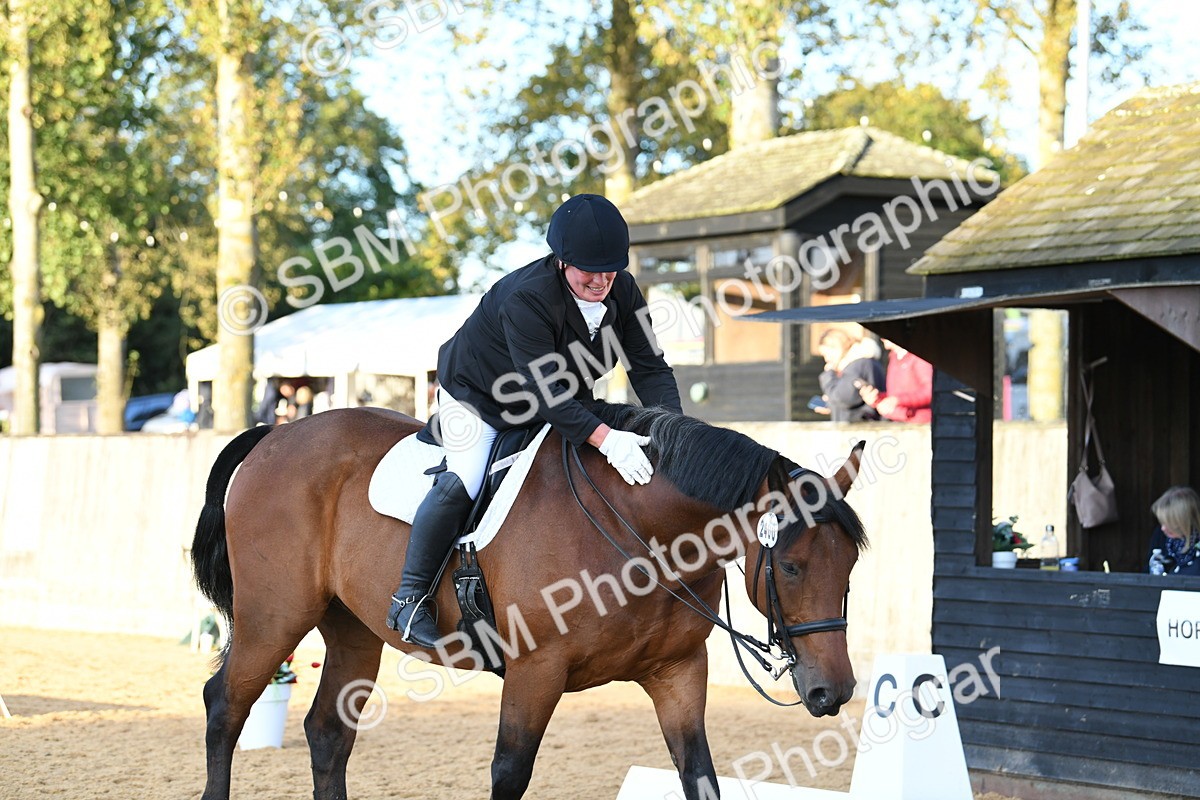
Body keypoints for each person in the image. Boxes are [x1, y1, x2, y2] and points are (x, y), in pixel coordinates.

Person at [386, 194, 683, 646]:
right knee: (465, 476)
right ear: (562, 262)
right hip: (479, 398)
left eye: (611, 269)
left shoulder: (621, 289)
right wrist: (608, 439)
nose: (602, 280)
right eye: (589, 270)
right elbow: (548, 395)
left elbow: (649, 368)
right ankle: (410, 599)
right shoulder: (527, 297)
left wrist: (674, 432)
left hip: (562, 394)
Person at [856, 339, 933, 423]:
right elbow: (895, 395)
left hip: (921, 424)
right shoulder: (894, 357)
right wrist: (877, 398)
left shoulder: (918, 357)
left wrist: (897, 400)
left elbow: (930, 391)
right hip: (898, 421)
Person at [816, 329, 885, 422]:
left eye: (826, 354)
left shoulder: (857, 365)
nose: (826, 359)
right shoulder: (860, 363)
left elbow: (842, 398)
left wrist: (828, 375)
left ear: (836, 347)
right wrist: (831, 404)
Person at [1147, 486, 1200, 576]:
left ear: (1185, 521)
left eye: (1170, 523)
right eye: (1162, 522)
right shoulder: (1161, 536)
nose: (1163, 528)